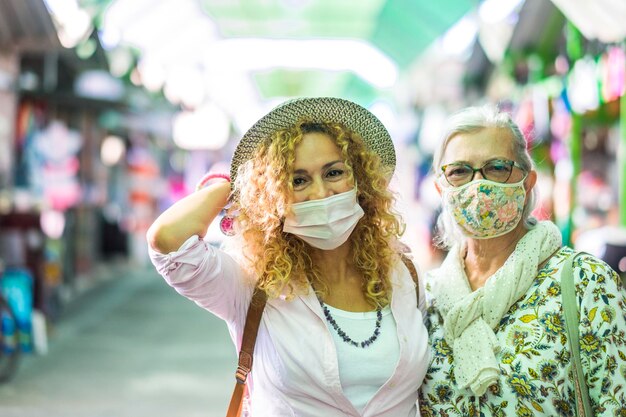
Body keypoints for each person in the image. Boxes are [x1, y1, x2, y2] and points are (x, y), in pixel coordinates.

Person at [147, 97, 429, 416]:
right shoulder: (250, 284)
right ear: (274, 196)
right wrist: (233, 188)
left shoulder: (405, 276)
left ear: (360, 181)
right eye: (298, 180)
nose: (320, 193)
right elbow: (168, 242)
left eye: (334, 173)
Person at [418, 105, 626, 416]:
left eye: (496, 167)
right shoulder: (425, 298)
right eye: (460, 171)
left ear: (527, 182)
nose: (478, 185)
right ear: (441, 188)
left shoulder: (586, 283)